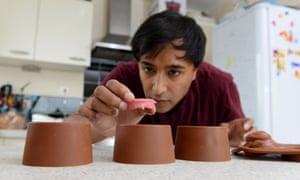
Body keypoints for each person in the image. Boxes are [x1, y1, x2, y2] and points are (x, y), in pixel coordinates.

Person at [66, 10, 256, 147]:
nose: (157, 89)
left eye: (174, 72)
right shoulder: (124, 78)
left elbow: (240, 139)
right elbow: (64, 132)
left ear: (196, 71)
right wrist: (101, 129)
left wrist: (239, 141)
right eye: (148, 68)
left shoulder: (219, 85)